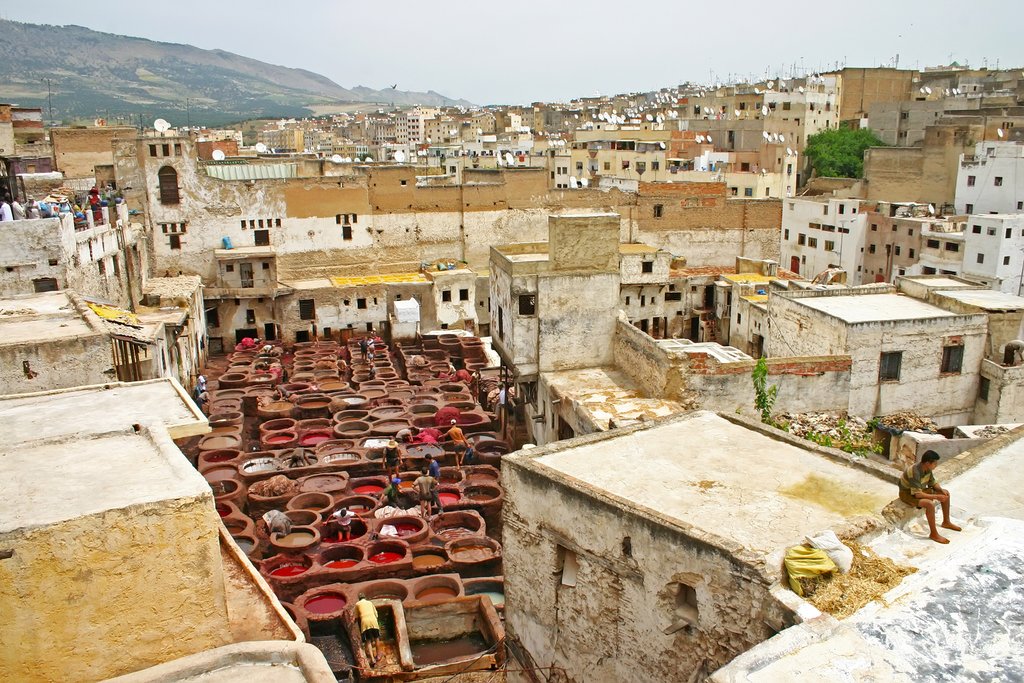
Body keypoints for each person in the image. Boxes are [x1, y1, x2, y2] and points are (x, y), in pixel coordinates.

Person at [899, 450, 962, 544]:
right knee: (929, 504)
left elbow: (933, 483)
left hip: (919, 490)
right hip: (907, 494)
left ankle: (946, 522)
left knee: (946, 493)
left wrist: (941, 491)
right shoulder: (914, 472)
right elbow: (918, 494)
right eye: (935, 463)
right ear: (928, 463)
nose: (936, 465)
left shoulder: (927, 469)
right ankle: (933, 534)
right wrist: (936, 497)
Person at [354, 594, 380, 665]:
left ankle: (372, 659)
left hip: (365, 623)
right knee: (377, 638)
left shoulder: (357, 604)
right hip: (373, 621)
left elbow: (356, 616)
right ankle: (378, 656)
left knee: (368, 640)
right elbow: (376, 614)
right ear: (365, 598)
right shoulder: (370, 602)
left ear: (359, 599)